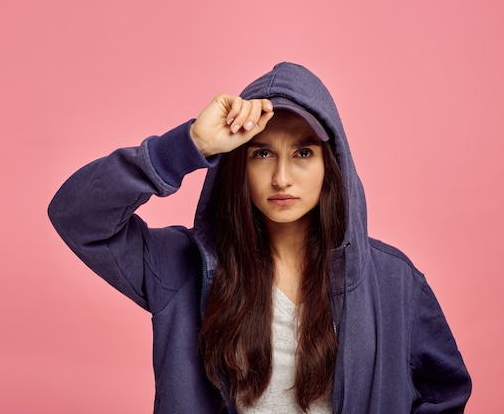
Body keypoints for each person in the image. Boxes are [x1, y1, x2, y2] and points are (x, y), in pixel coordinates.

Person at [48, 62, 472, 413]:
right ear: (238, 165)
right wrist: (188, 144)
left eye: (303, 153)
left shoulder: (393, 281)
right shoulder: (179, 268)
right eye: (262, 153)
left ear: (331, 166)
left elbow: (445, 392)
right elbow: (79, 216)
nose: (282, 177)